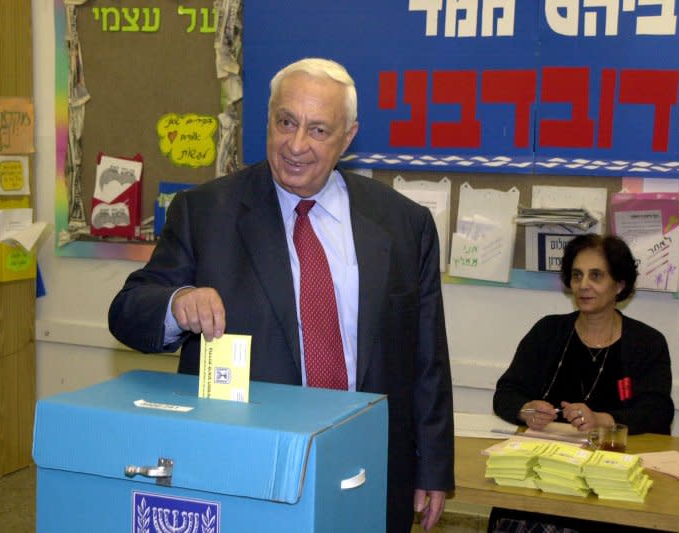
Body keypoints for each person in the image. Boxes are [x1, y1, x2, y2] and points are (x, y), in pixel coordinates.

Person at [109, 57, 455, 532]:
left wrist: (433, 467)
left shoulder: (403, 223)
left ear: (348, 137)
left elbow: (427, 358)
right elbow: (127, 312)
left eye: (317, 130)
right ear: (268, 118)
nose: (296, 145)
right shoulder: (205, 212)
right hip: (244, 467)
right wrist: (176, 303)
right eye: (286, 122)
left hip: (368, 465)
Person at [490, 234, 674, 533]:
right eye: (577, 275)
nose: (583, 285)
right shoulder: (547, 331)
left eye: (596, 275)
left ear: (620, 285)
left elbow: (657, 411)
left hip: (612, 483)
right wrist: (526, 410)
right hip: (547, 479)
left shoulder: (647, 342)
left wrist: (601, 420)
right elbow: (506, 393)